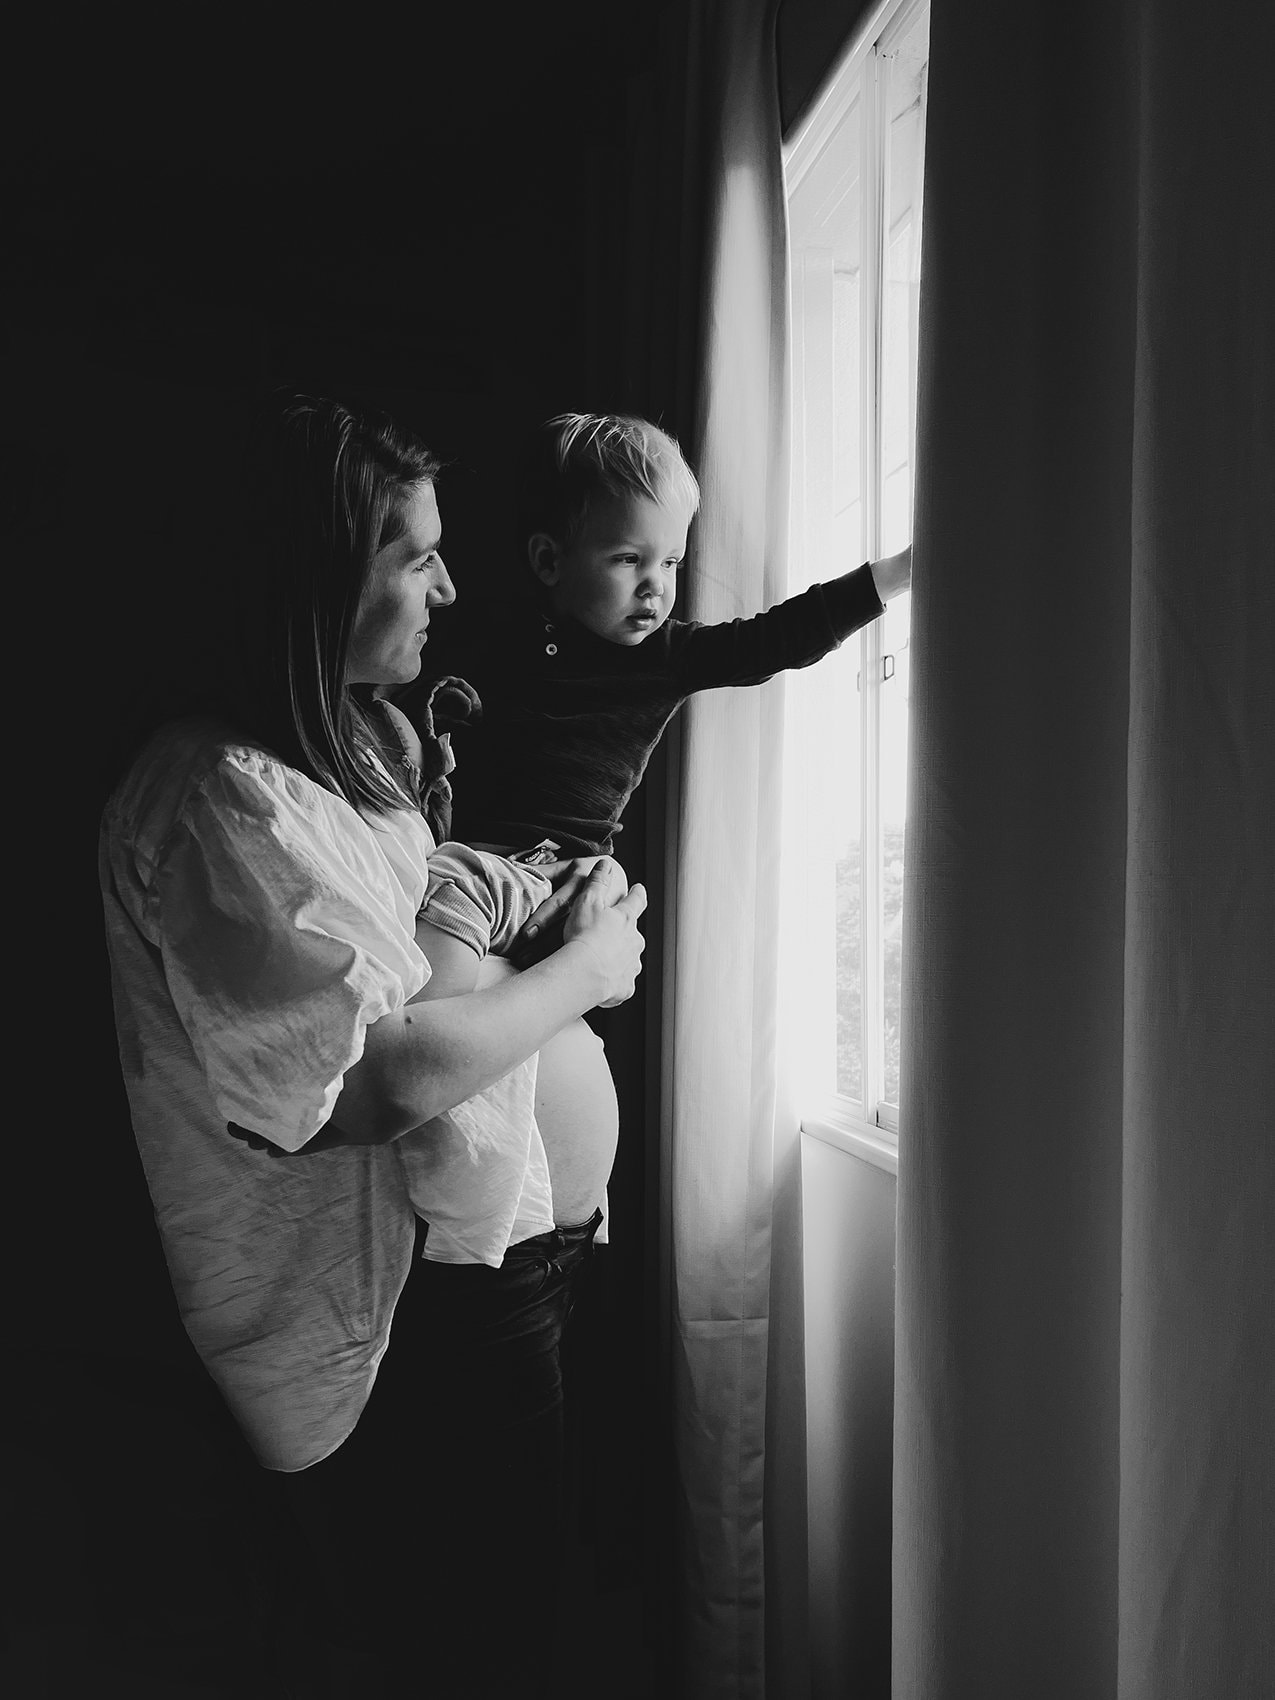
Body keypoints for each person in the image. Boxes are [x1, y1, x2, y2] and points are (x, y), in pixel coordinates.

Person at [98, 393, 647, 1695]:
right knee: (477, 1649)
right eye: (414, 556)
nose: (449, 585)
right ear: (315, 577)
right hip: (383, 1334)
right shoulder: (215, 797)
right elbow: (374, 1082)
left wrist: (518, 910)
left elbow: (414, 951)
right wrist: (584, 970)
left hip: (476, 1270)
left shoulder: (338, 757)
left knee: (518, 1623)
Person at [394, 409, 911, 974]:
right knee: (422, 889)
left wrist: (894, 575)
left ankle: (426, 1043)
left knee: (451, 895)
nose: (655, 586)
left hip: (561, 879)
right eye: (629, 560)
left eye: (670, 562)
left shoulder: (666, 655)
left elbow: (776, 638)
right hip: (476, 853)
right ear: (549, 560)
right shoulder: (493, 634)